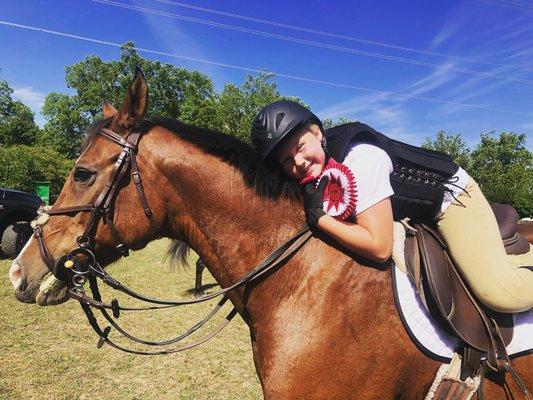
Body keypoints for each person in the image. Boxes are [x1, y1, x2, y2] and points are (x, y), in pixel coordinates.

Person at [250, 100, 533, 313]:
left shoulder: (361, 158)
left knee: (502, 294)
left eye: (299, 148)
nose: (298, 163)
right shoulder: (313, 171)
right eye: (286, 160)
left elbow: (379, 247)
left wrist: (319, 218)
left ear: (316, 132)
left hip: (451, 199)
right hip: (407, 211)